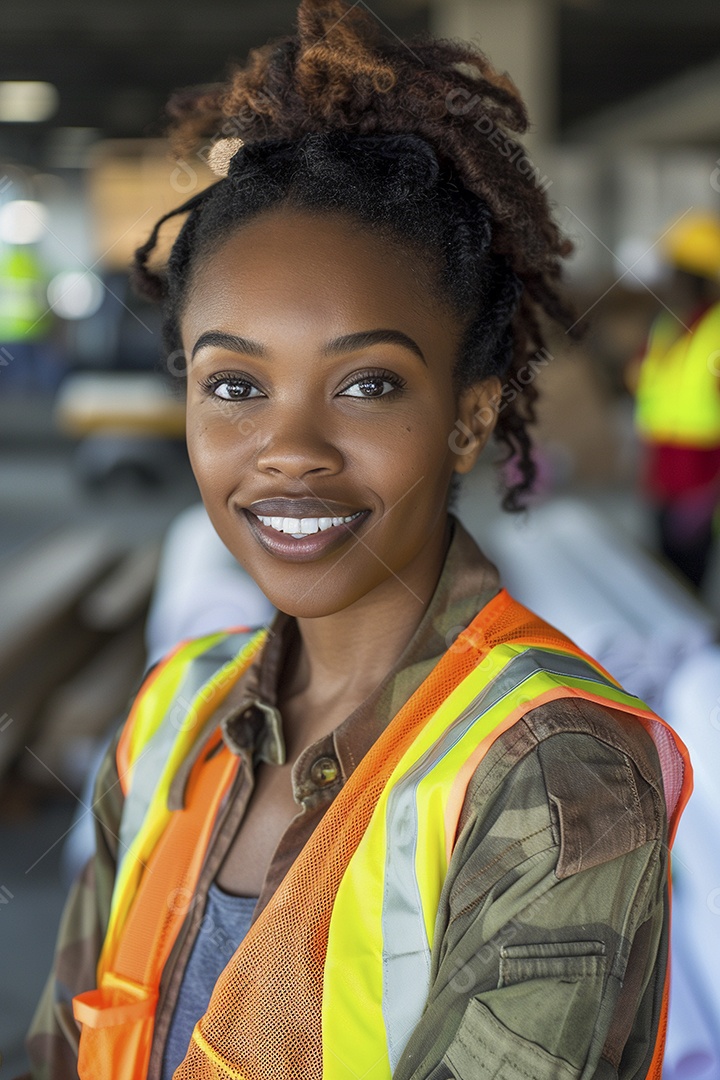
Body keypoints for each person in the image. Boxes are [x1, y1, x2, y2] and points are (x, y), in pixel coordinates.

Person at [25, 2, 691, 1078]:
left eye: (368, 384)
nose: (287, 450)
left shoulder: (548, 771)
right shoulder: (170, 716)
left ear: (470, 417)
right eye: (234, 385)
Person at [631, 211, 720, 589]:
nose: (666, 281)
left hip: (699, 483)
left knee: (689, 589)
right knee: (664, 585)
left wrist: (709, 496)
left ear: (696, 277)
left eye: (674, 272)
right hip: (663, 477)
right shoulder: (667, 326)